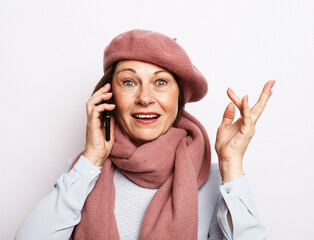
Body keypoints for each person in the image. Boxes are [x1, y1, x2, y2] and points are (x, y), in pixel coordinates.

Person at [16, 29, 275, 240]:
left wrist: (231, 165)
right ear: (109, 96)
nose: (145, 98)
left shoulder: (212, 179)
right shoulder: (83, 172)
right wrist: (91, 159)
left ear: (179, 97)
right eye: (129, 82)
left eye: (160, 82)